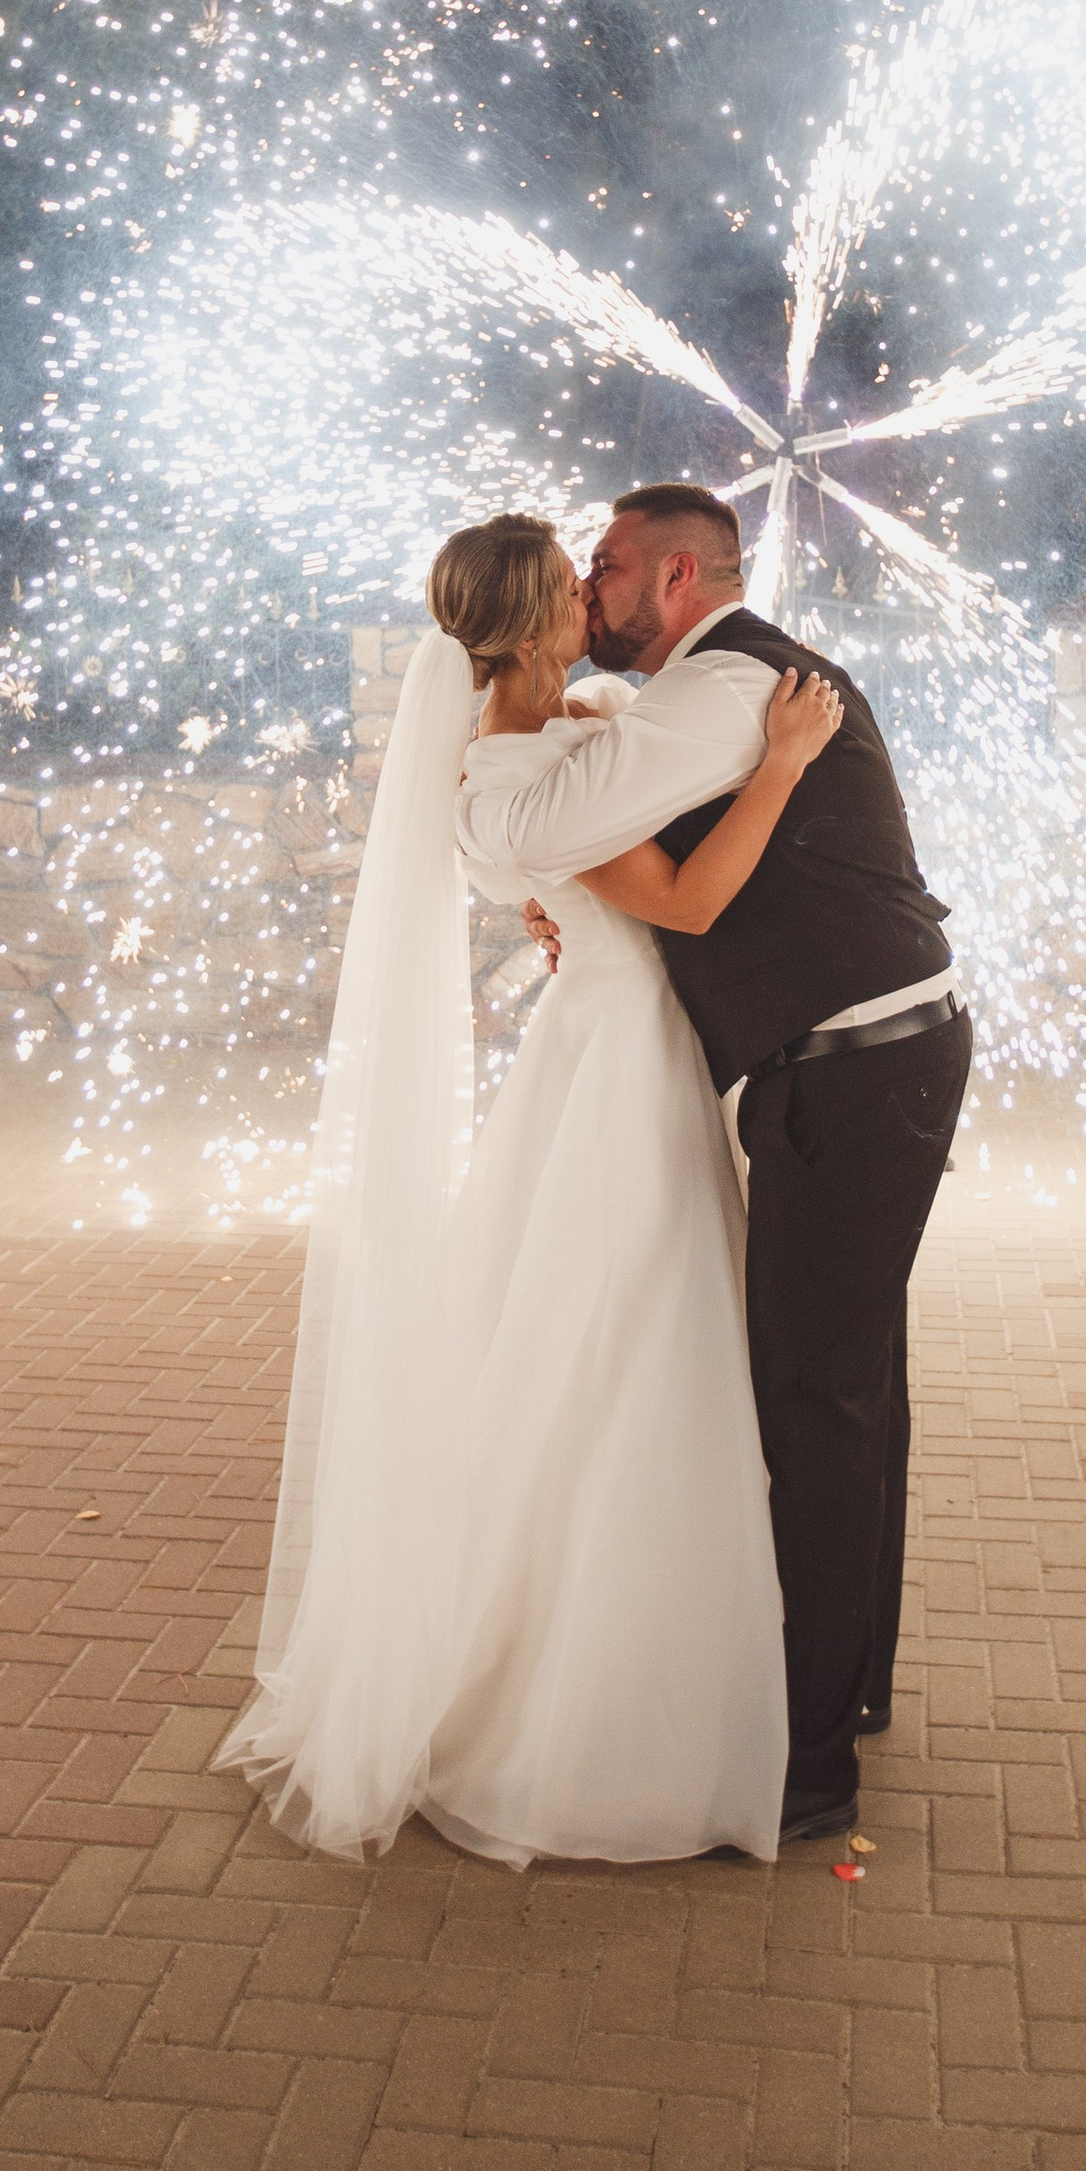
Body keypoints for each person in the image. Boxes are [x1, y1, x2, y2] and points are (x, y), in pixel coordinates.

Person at [219, 510, 843, 1866]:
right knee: (627, 1365)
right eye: (574, 584)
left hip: (607, 1054)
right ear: (527, 619)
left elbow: (601, 825)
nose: (593, 596)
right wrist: (785, 766)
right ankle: (585, 1716)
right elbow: (681, 905)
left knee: (593, 1355)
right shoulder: (521, 774)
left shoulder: (566, 737)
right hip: (618, 1078)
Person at [479, 483, 970, 1842]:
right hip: (860, 1060)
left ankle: (809, 1765)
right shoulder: (698, 695)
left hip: (859, 1066)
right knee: (851, 1388)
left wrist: (525, 827)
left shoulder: (720, 691)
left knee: (818, 1400)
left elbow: (588, 816)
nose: (589, 589)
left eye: (613, 567)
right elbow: (597, 822)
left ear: (682, 578)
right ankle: (845, 1692)